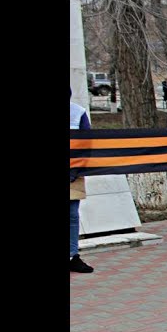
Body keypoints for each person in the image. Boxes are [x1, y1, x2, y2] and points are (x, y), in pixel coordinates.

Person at [70, 90, 94, 273]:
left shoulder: (77, 113)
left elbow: (87, 144)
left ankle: (72, 256)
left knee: (72, 215)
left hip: (72, 172)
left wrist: (74, 170)